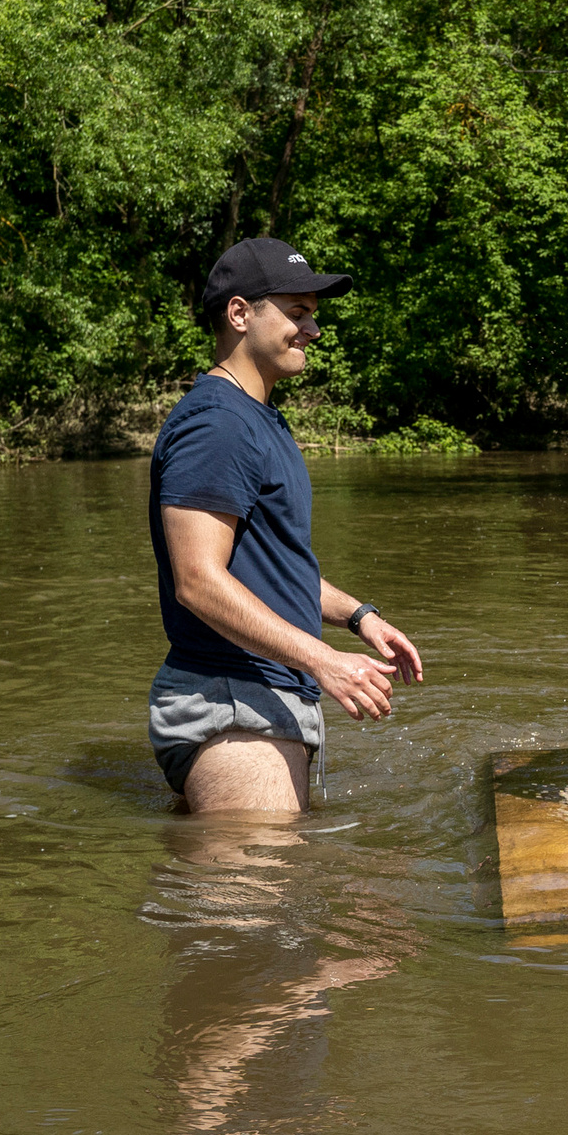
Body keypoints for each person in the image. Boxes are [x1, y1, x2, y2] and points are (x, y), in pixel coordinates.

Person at [147, 237, 425, 815]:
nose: (313, 331)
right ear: (240, 314)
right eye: (297, 313)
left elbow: (269, 564)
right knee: (256, 893)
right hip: (232, 706)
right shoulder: (217, 426)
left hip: (255, 701)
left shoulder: (259, 418)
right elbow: (198, 580)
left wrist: (357, 617)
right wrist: (324, 661)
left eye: (313, 317)